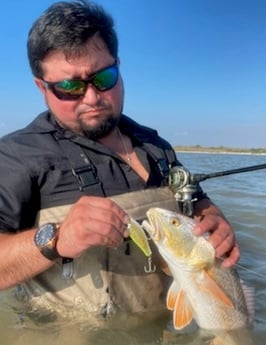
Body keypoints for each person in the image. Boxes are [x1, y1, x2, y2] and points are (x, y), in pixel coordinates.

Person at [0, 0, 239, 325]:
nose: (92, 97)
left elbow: (199, 203)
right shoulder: (16, 155)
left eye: (104, 77)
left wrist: (214, 221)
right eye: (69, 87)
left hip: (164, 327)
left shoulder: (155, 145)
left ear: (119, 66)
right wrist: (57, 239)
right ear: (41, 87)